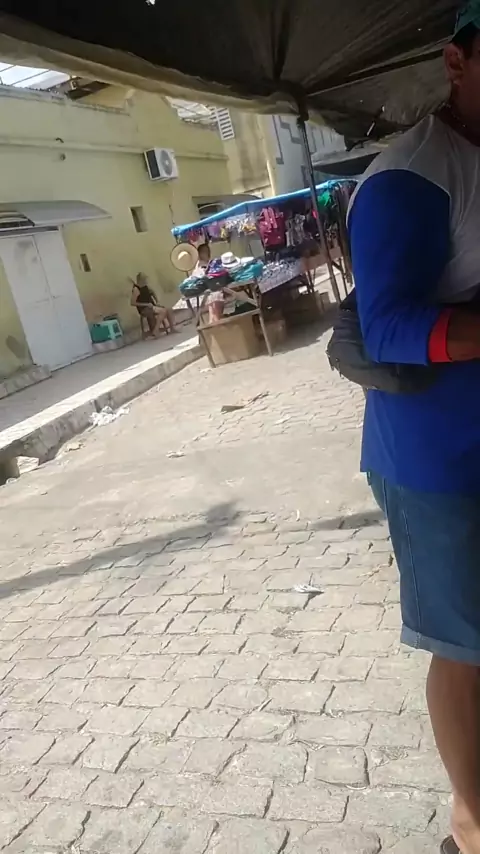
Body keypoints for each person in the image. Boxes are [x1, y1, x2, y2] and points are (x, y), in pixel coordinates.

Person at [349, 5, 480, 853]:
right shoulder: (413, 176)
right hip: (437, 463)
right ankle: (471, 821)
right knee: (466, 645)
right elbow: (387, 326)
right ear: (456, 62)